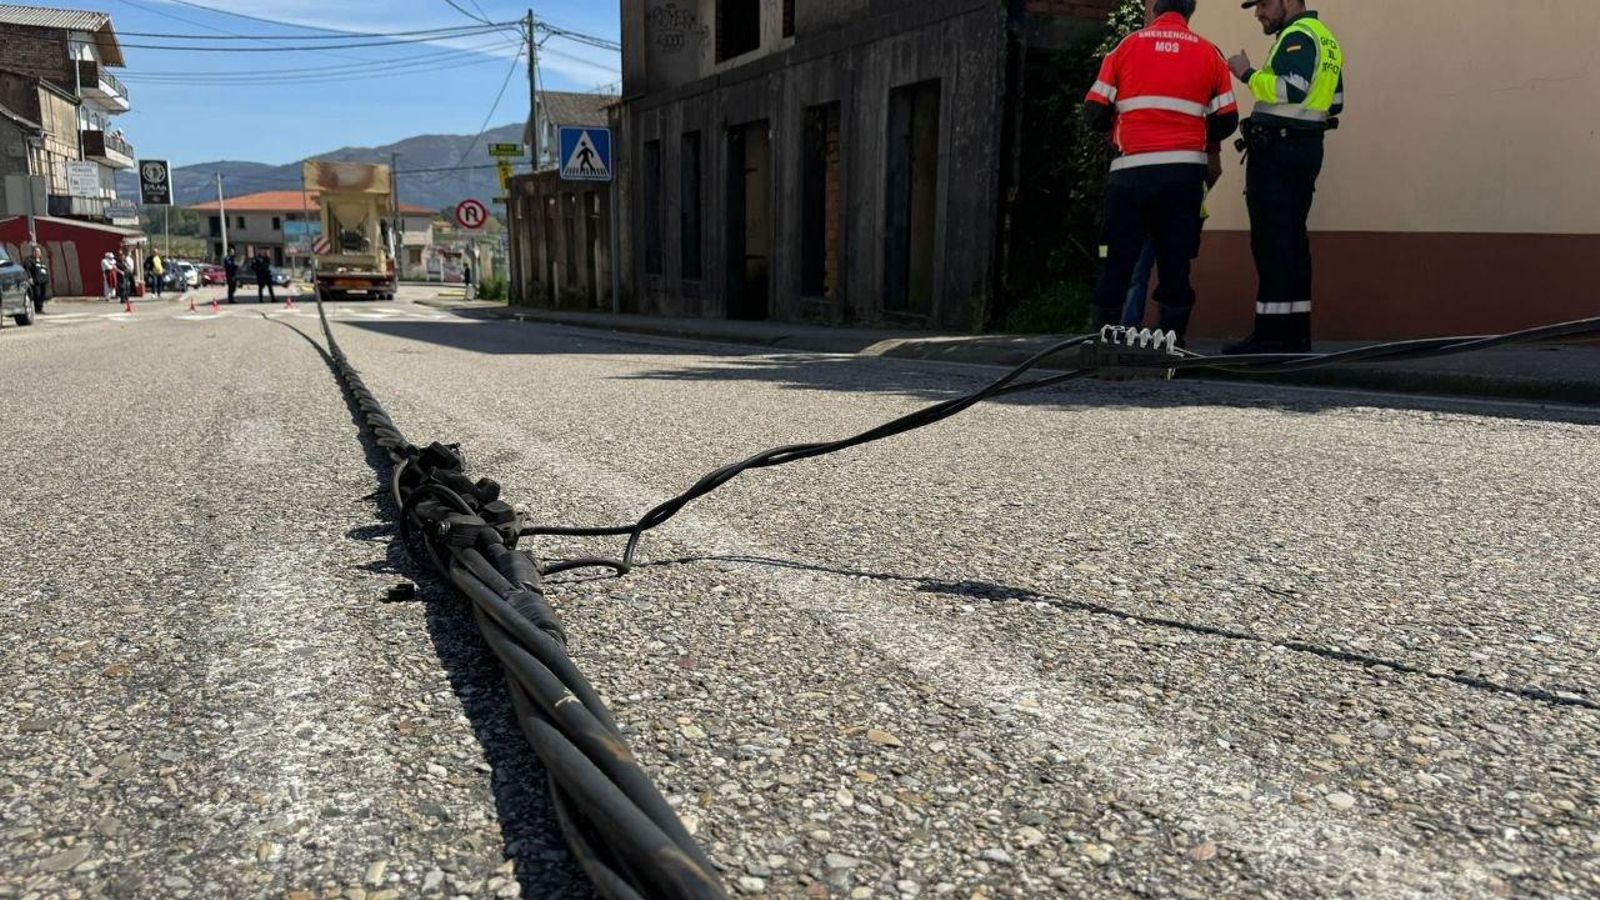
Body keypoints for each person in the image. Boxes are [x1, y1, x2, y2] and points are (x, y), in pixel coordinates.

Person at [1084, 0, 1239, 347]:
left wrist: (1124, 128)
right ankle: (1173, 346)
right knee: (1175, 263)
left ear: (1154, 8)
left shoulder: (1126, 47)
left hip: (1130, 173)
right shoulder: (1209, 53)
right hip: (1184, 176)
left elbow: (1094, 111)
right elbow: (1227, 119)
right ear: (1191, 11)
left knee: (1117, 260)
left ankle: (1102, 344)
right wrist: (1195, 134)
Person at [1223, 0, 1344, 353]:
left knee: (1272, 243)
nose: (1258, 12)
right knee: (1291, 241)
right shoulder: (1326, 40)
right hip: (1304, 149)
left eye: (1263, 4)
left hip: (1279, 151)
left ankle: (1271, 337)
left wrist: (1246, 73)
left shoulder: (1297, 36)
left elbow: (1291, 89)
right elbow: (1334, 102)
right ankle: (1294, 335)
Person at [22, 246, 48, 314]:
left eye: (39, 252)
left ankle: (41, 307)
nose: (38, 253)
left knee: (43, 295)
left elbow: (45, 270)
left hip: (43, 281)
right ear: (34, 252)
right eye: (36, 252)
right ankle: (38, 309)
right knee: (37, 294)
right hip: (36, 281)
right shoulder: (30, 260)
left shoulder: (42, 261)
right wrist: (30, 278)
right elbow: (27, 269)